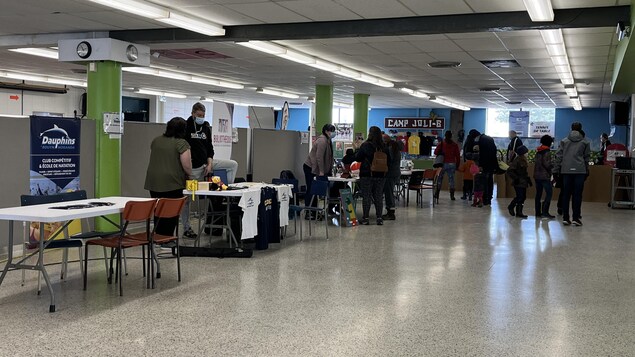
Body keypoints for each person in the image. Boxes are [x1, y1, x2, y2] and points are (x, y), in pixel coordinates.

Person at [180, 102, 239, 238]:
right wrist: (186, 171)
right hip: (193, 170)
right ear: (193, 113)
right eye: (199, 115)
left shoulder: (206, 126)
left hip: (206, 165)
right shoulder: (186, 126)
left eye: (203, 115)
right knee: (187, 199)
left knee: (232, 165)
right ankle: (186, 228)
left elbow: (209, 148)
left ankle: (225, 192)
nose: (201, 117)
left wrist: (210, 163)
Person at [144, 117, 193, 236]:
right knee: (171, 213)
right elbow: (187, 166)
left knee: (158, 211)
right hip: (172, 182)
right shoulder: (181, 143)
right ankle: (166, 239)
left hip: (153, 181)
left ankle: (157, 236)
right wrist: (189, 174)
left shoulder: (156, 141)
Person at [553, 122, 591, 226]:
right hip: (580, 171)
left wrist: (556, 171)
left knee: (566, 194)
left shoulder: (564, 141)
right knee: (577, 195)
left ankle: (565, 218)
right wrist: (587, 169)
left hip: (566, 171)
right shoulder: (585, 142)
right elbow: (586, 157)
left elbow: (559, 157)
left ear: (571, 128)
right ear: (580, 129)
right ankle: (576, 218)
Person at [355, 126, 389, 225]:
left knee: (367, 196)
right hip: (381, 175)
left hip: (367, 174)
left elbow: (358, 158)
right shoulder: (384, 146)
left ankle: (366, 218)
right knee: (378, 196)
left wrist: (357, 149)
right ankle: (379, 218)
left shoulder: (365, 145)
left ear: (370, 133)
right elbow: (389, 160)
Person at [303, 124, 335, 218]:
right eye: (331, 131)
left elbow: (329, 157)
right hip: (310, 167)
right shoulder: (322, 141)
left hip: (315, 168)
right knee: (311, 189)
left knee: (315, 190)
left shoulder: (328, 140)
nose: (333, 133)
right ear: (326, 131)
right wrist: (321, 171)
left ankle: (314, 211)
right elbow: (319, 157)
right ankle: (309, 212)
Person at [465, 129, 498, 206]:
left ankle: (484, 199)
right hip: (491, 164)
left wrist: (481, 165)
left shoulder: (480, 140)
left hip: (484, 165)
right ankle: (489, 198)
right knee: (490, 181)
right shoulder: (489, 138)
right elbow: (494, 152)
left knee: (483, 183)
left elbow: (482, 154)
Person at [434, 131, 461, 200]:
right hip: (452, 164)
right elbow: (458, 156)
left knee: (439, 179)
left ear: (445, 136)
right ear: (451, 136)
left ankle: (437, 193)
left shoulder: (442, 143)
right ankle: (452, 195)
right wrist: (457, 166)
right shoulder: (454, 145)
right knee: (451, 180)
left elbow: (435, 152)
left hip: (442, 164)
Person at [506, 145, 531, 218]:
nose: (527, 153)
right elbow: (510, 171)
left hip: (523, 182)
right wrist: (516, 178)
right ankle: (511, 206)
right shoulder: (517, 160)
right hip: (518, 182)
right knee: (520, 196)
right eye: (526, 152)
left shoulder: (523, 160)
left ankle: (519, 212)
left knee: (523, 197)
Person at [382, 134, 403, 220]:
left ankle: (391, 213)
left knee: (389, 193)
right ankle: (391, 211)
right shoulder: (396, 148)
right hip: (396, 173)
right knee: (390, 193)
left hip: (390, 174)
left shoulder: (389, 149)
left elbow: (388, 161)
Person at [534, 135, 555, 218]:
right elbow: (547, 164)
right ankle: (545, 212)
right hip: (545, 176)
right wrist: (553, 164)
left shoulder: (538, 151)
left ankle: (537, 212)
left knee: (538, 194)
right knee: (549, 193)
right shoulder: (547, 152)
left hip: (537, 175)